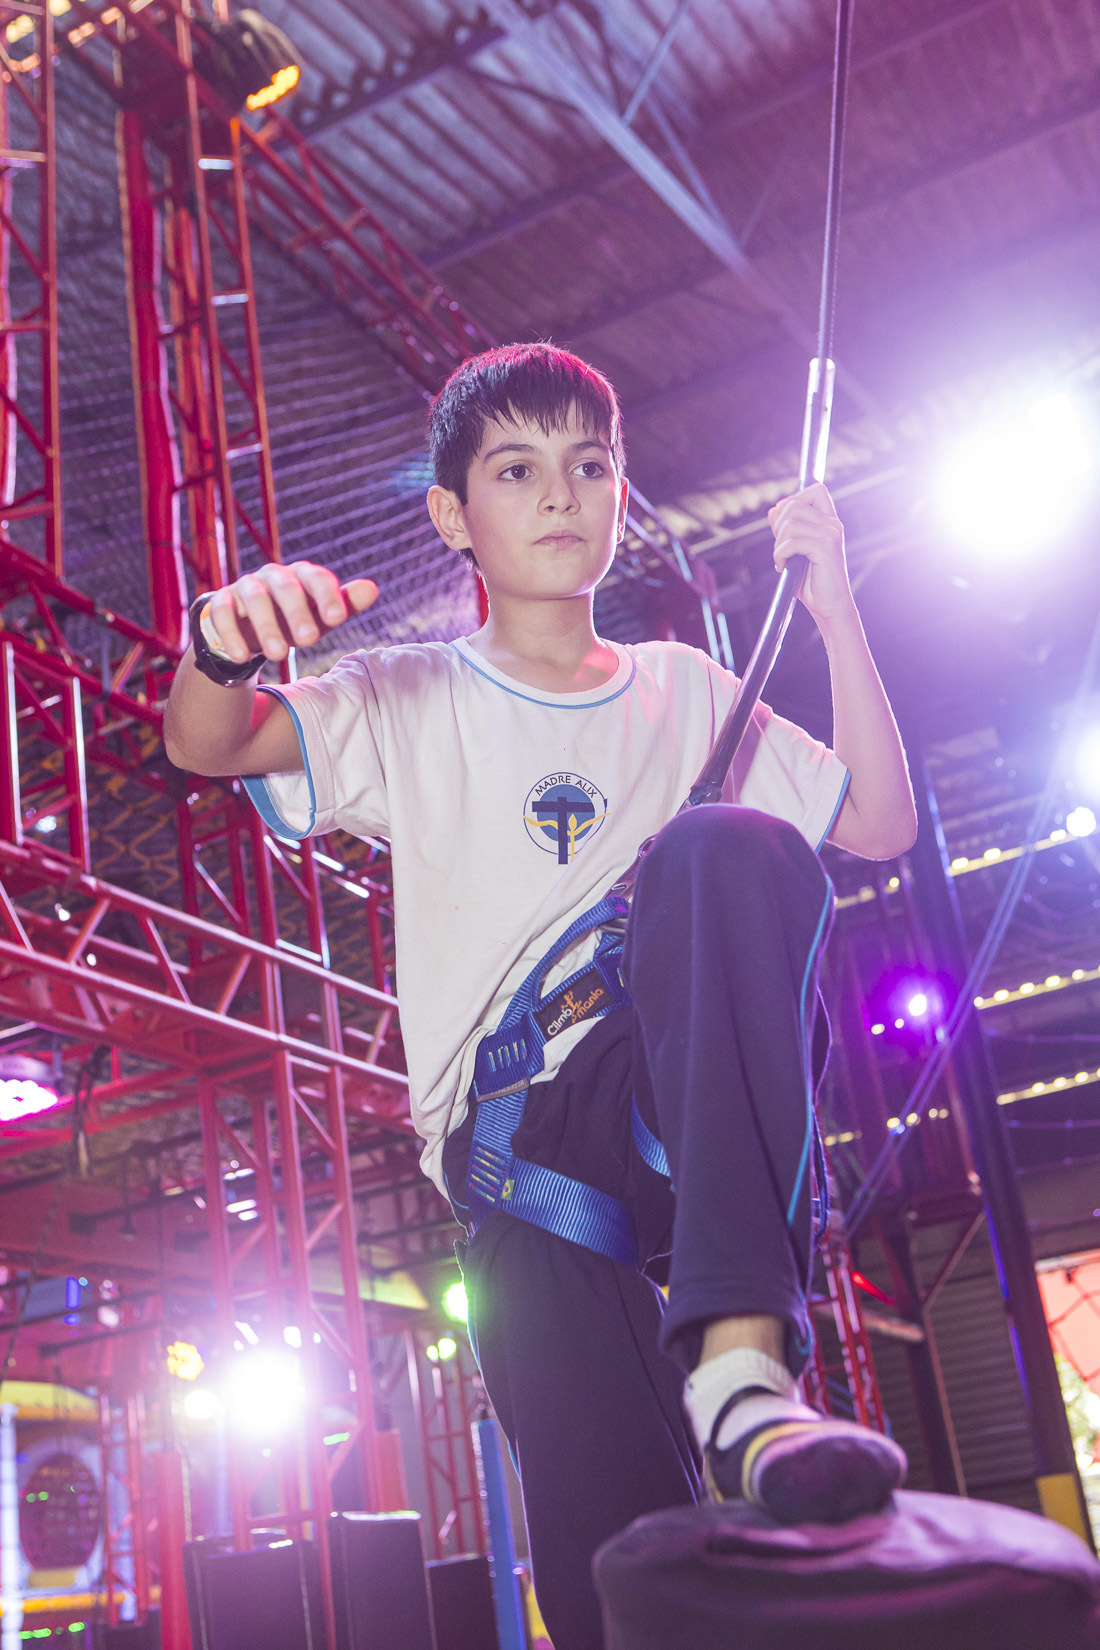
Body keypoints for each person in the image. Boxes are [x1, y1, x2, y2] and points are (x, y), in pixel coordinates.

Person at [165, 343, 917, 1650]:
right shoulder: (411, 693)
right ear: (455, 515)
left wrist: (837, 607)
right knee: (614, 1574)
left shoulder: (687, 688)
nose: (561, 493)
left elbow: (882, 823)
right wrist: (220, 647)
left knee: (730, 849)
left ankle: (745, 1362)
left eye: (589, 465)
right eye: (516, 470)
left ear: (621, 491)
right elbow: (206, 741)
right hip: (523, 1162)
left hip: (674, 1103)